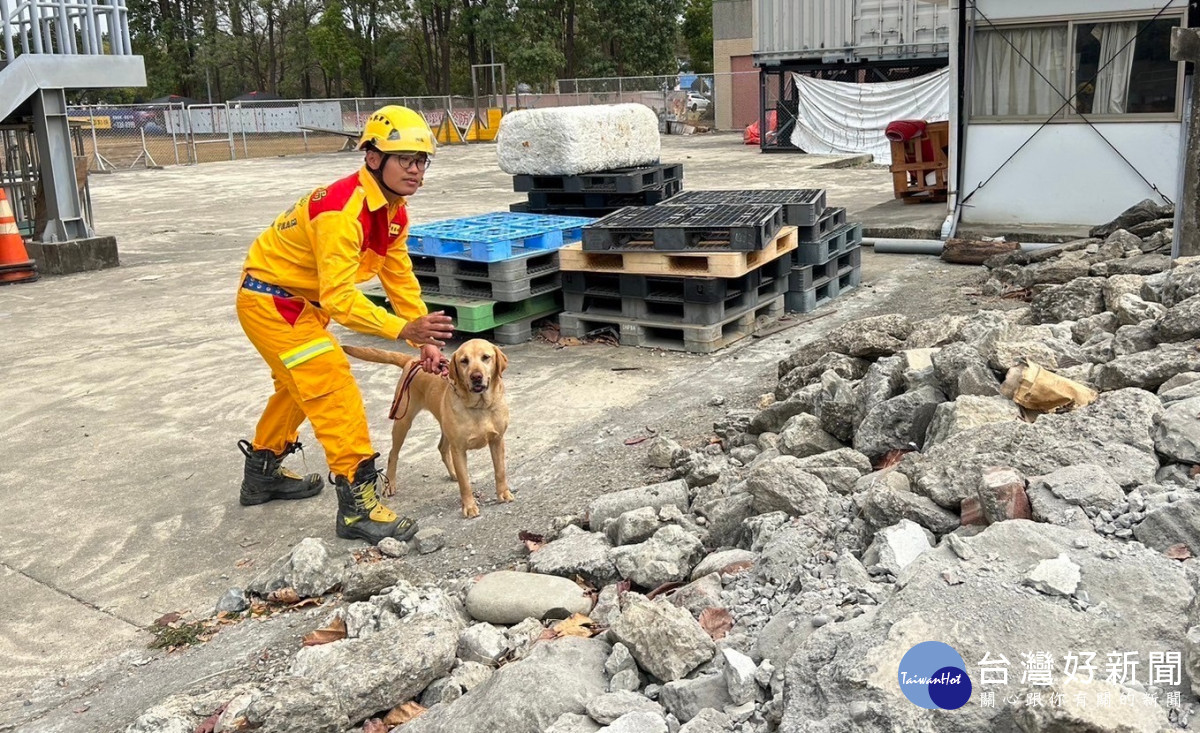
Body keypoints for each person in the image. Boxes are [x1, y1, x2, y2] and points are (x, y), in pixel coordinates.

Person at [235, 105, 454, 544]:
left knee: (296, 387)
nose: (416, 170)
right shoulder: (341, 212)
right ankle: (358, 506)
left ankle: (262, 473)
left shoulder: (394, 211)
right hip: (272, 302)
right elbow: (340, 298)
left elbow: (398, 274)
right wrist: (399, 330)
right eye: (405, 159)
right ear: (373, 158)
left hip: (298, 305)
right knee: (330, 381)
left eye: (422, 160)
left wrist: (423, 338)